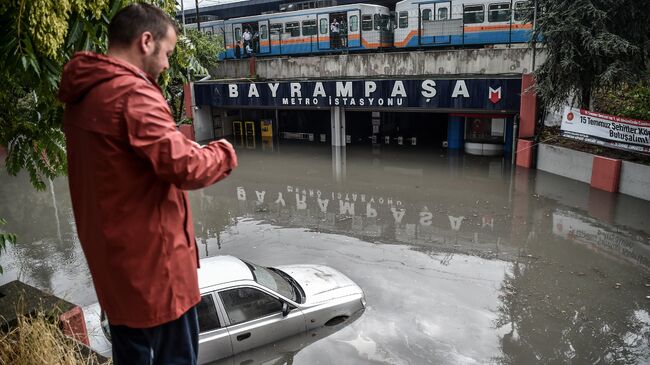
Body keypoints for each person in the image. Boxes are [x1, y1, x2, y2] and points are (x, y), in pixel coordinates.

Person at [57, 3, 238, 364]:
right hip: (158, 272)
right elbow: (185, 167)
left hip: (117, 268)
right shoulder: (132, 94)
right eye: (167, 53)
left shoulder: (84, 95)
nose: (168, 64)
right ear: (145, 41)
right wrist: (223, 151)